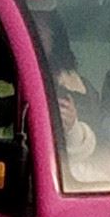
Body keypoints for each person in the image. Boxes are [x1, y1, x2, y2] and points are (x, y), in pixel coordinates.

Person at [32, 10, 99, 164]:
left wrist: (72, 127)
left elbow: (99, 154)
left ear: (56, 38)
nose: (32, 36)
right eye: (28, 26)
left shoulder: (83, 92)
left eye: (40, 30)